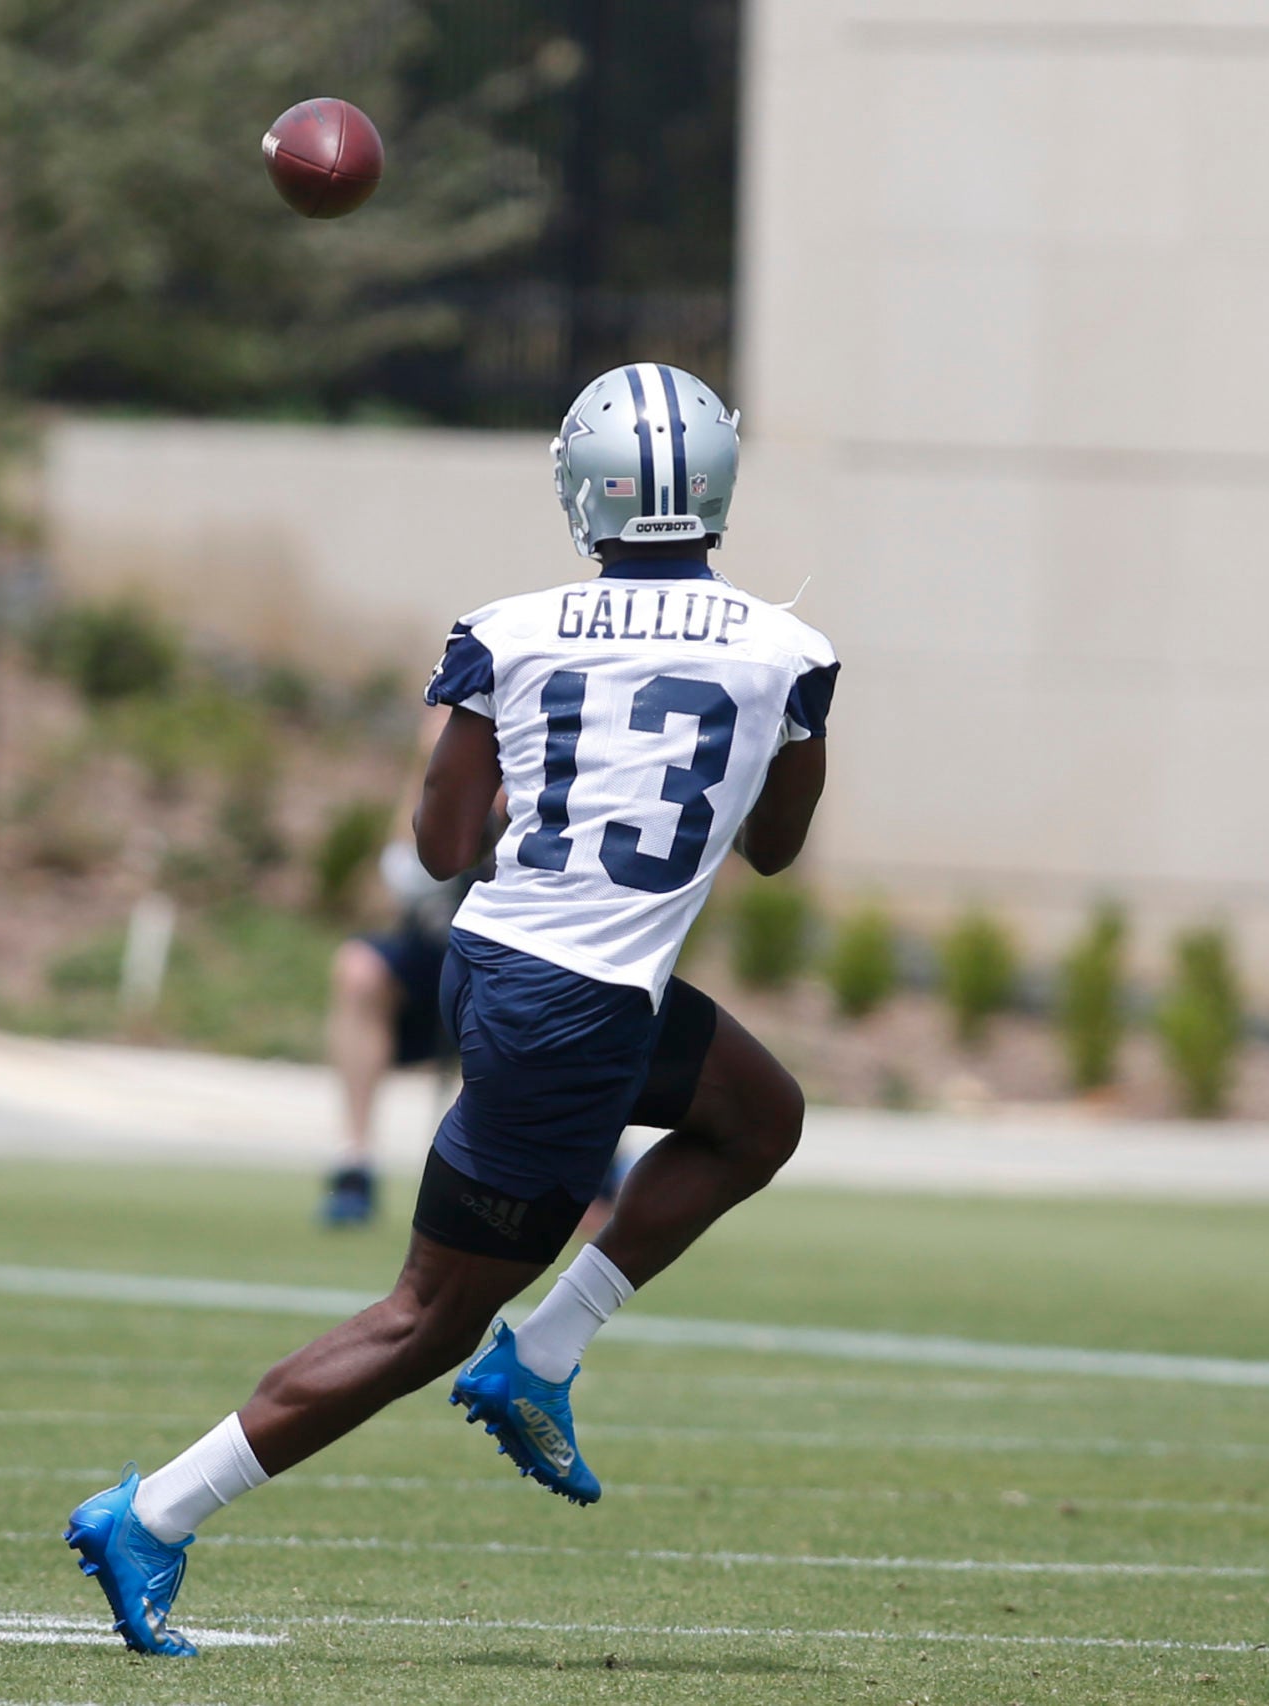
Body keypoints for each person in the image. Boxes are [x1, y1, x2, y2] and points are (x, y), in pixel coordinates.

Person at [66, 362, 839, 1655]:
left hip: (512, 965)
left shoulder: (512, 627)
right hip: (575, 1009)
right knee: (423, 1318)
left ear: (579, 487)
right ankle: (151, 1510)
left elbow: (437, 848)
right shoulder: (790, 650)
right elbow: (774, 847)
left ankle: (540, 1355)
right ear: (719, 482)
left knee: (760, 1115)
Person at [317, 705, 485, 1228]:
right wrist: (429, 770)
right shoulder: (439, 765)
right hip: (435, 954)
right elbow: (408, 879)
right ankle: (355, 1162)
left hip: (516, 957)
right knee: (359, 968)